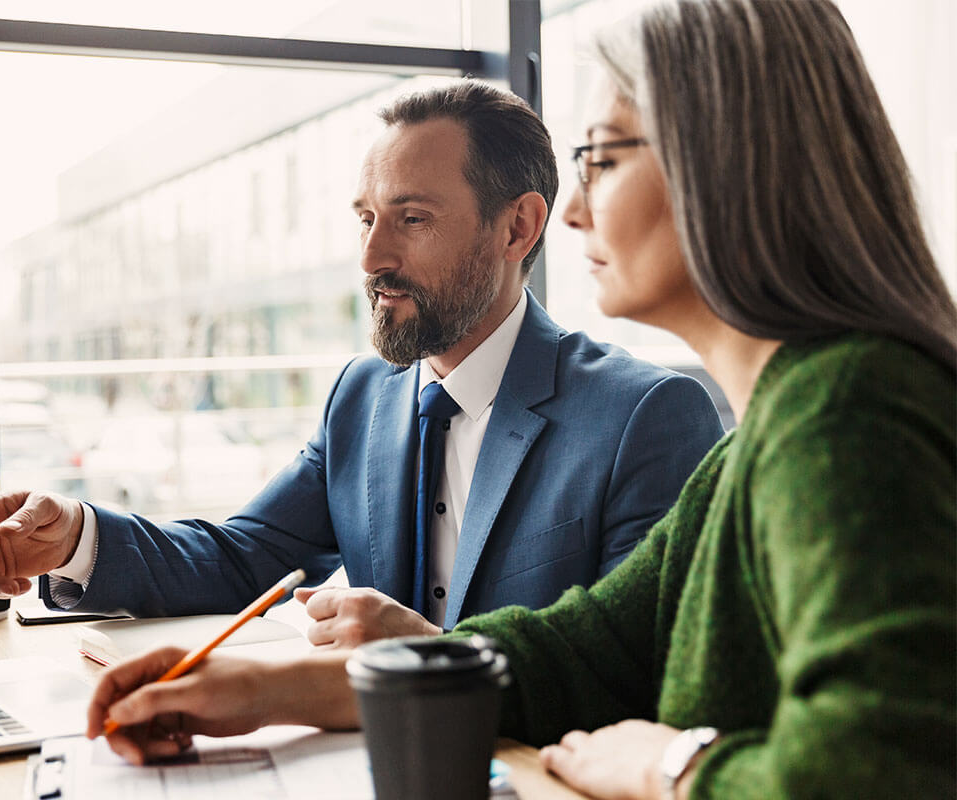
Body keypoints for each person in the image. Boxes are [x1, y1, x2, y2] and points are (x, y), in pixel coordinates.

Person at [78, 1, 957, 797]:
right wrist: (261, 691)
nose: (574, 213)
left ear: (727, 163)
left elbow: (880, 769)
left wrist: (667, 766)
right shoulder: (765, 437)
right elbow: (576, 651)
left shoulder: (847, 413)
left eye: (602, 160)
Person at [0, 81, 723, 645]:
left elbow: (638, 670)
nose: (373, 255)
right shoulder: (363, 396)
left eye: (411, 218)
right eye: (366, 218)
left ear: (519, 229)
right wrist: (75, 540)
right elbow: (244, 556)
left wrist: (430, 660)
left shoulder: (645, 416)